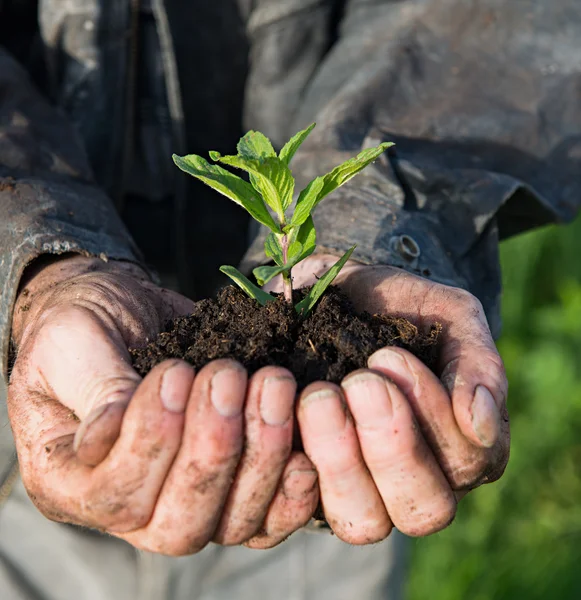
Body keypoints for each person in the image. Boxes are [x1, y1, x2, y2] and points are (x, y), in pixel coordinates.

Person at [0, 0, 577, 598]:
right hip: (21, 374)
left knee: (337, 503)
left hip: (326, 471)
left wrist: (368, 226)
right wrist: (39, 264)